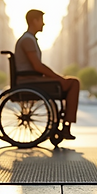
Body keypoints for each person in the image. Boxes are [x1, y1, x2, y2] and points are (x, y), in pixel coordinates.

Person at [14, 9, 80, 140]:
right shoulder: (28, 40)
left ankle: (66, 125)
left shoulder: (29, 39)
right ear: (34, 21)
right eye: (41, 21)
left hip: (31, 79)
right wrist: (58, 78)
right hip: (29, 81)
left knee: (71, 82)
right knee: (73, 83)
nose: (43, 24)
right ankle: (66, 126)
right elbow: (37, 66)